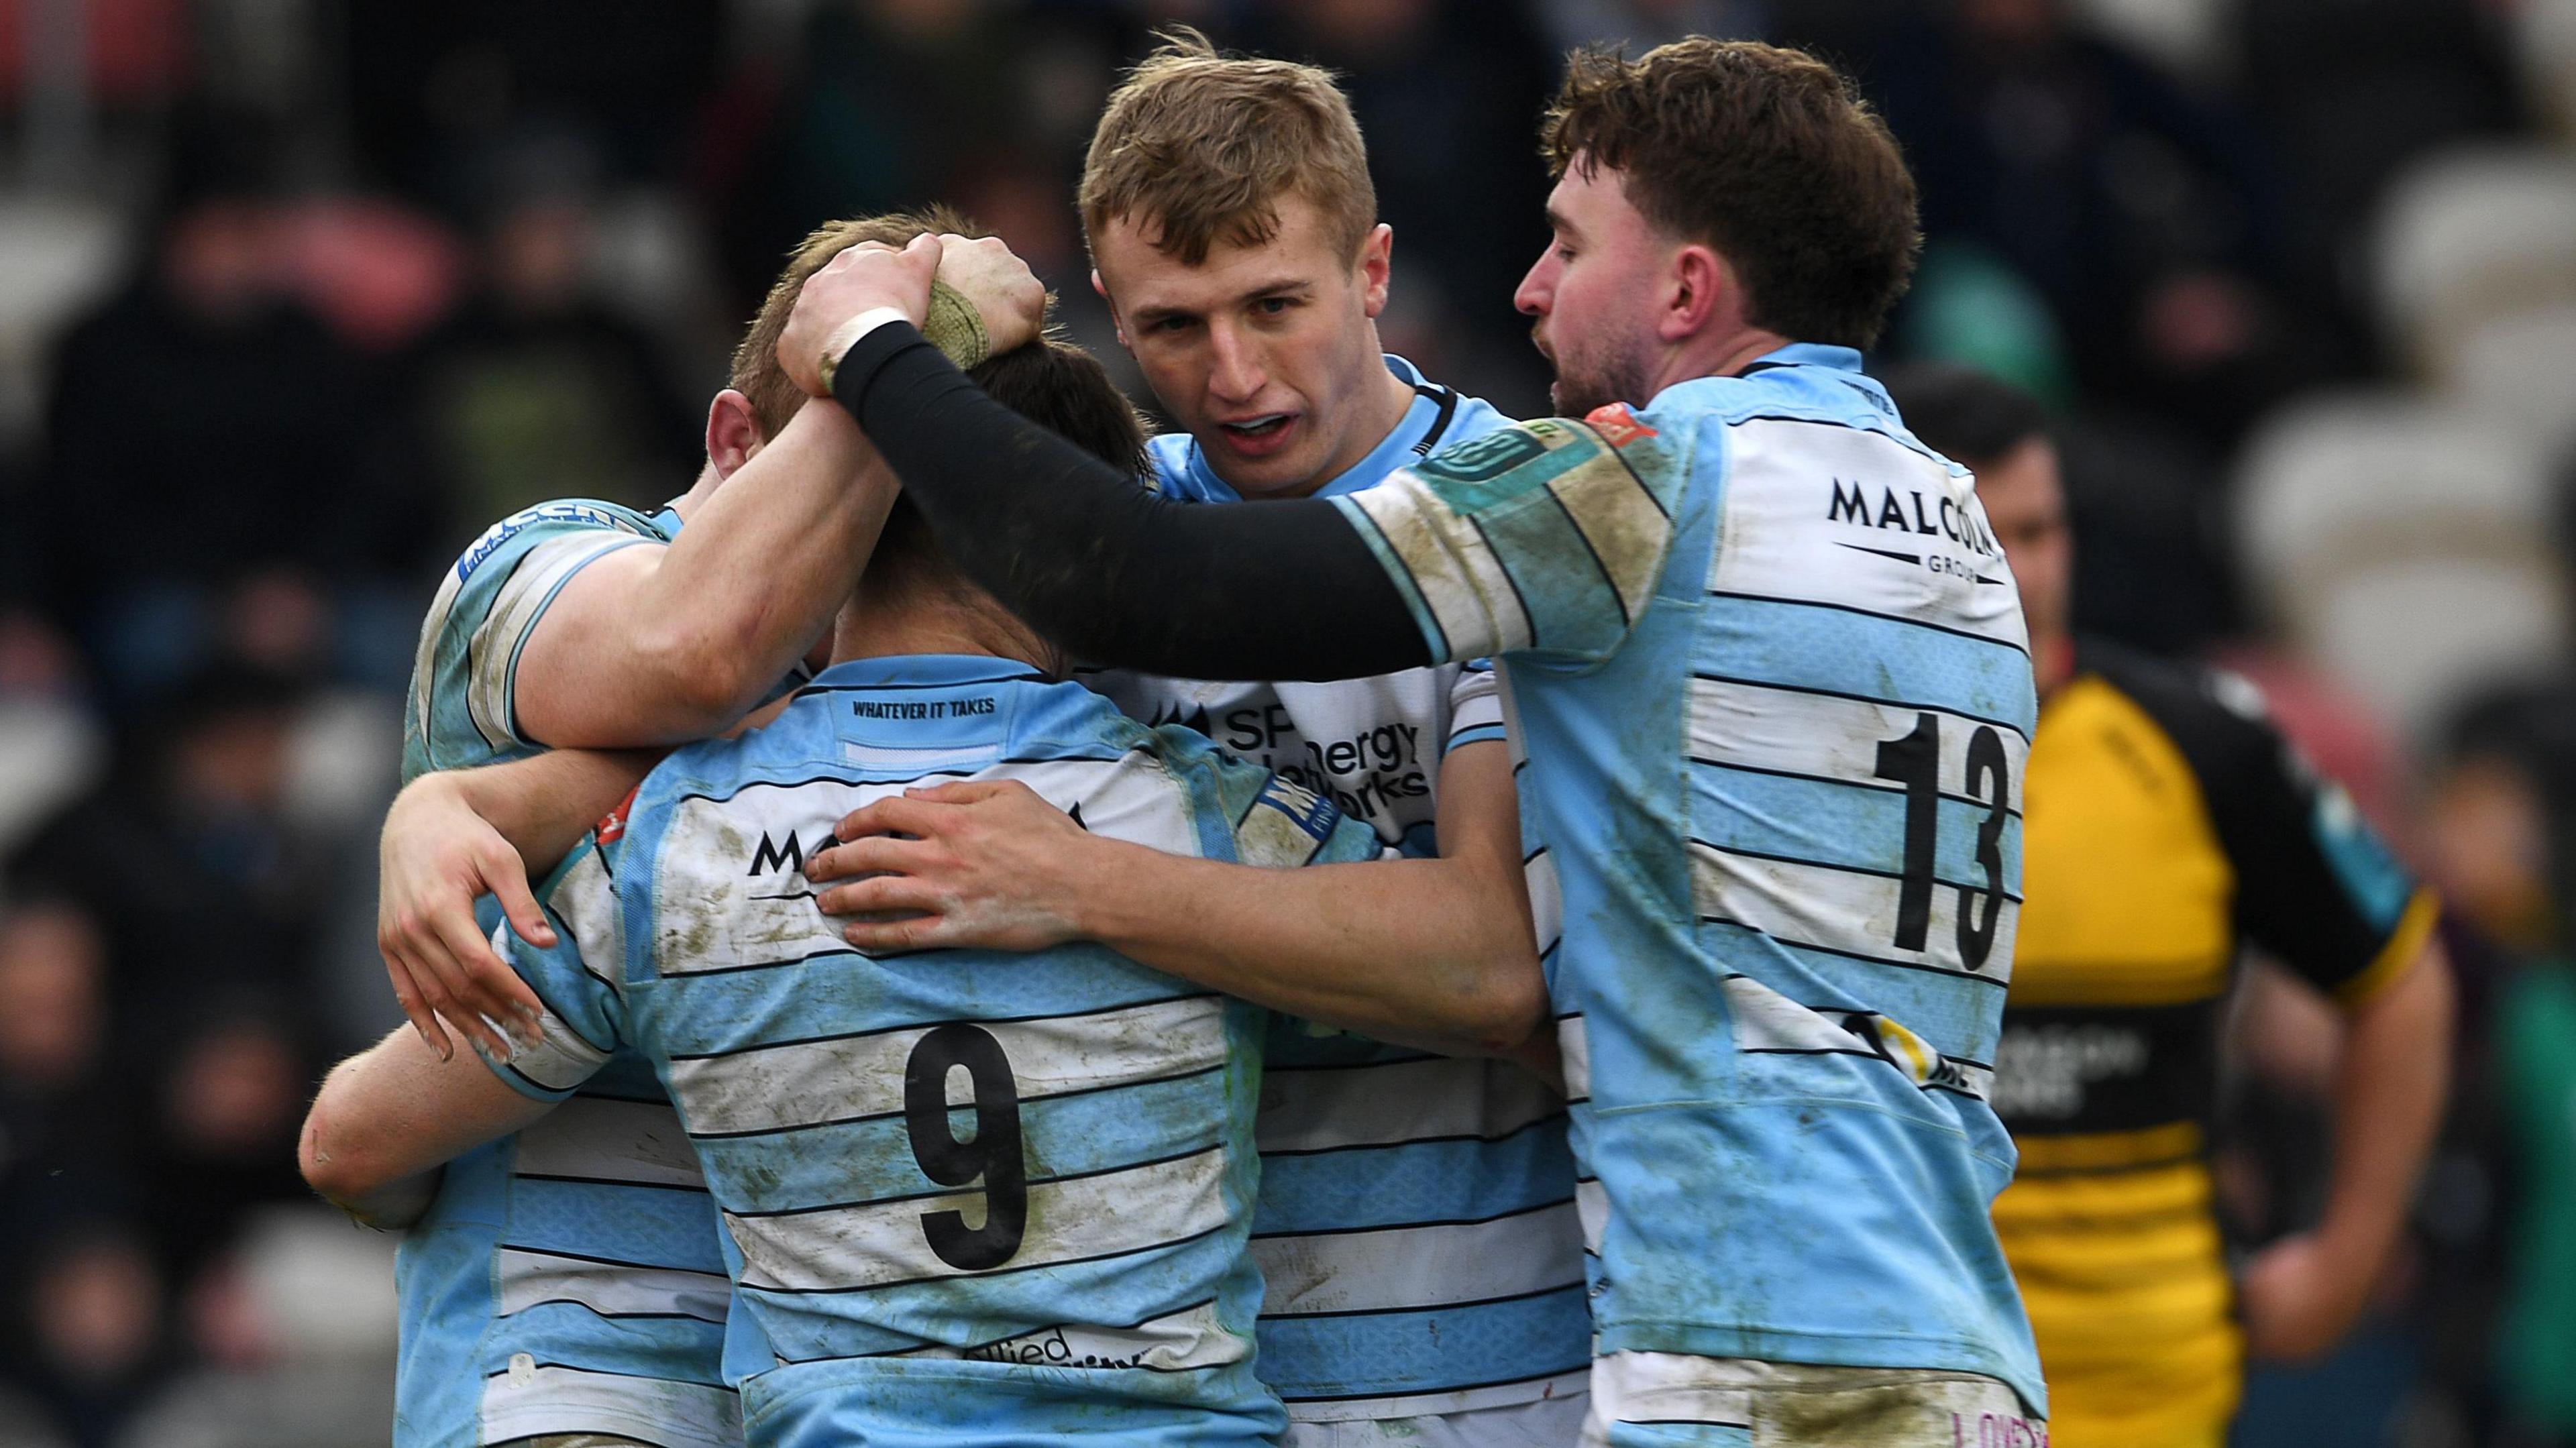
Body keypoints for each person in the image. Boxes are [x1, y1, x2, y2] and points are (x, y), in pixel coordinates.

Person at [779, 37, 2049, 1445]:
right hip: (1911, 1322)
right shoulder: (1951, 518)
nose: (1526, 287)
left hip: (1685, 1356)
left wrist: (871, 347)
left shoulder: (1590, 507)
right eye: (1174, 327)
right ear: (1112, 316)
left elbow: (1131, 584)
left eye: (1568, 245)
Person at [390, 34, 1589, 1441]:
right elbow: (743, 695)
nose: (1237, 373)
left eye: (1278, 305)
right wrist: (455, 807)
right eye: (1175, 328)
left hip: (1495, 1353)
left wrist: (1079, 882)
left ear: (1374, 273)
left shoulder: (1520, 529)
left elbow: (1508, 975)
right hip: (1207, 1377)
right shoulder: (1086, 541)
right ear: (1104, 318)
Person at [303, 337, 1389, 1447]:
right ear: (1071, 545)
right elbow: (1484, 972)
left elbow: (350, 1143)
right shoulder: (1199, 810)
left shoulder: (672, 842)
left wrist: (482, 807)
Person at [358, 212, 1042, 1448]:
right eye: (868, 482)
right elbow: (694, 652)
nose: (894, 547)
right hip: (570, 1378)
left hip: (844, 1387)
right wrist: (914, 350)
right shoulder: (536, 567)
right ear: (737, 442)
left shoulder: (954, 680)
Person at [1880, 361, 2453, 1448]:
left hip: (2158, 1395)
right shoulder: (1803, 756)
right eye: (1983, 537)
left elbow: (2404, 982)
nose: (2024, 573)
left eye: (2043, 531)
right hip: (1897, 1390)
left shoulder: (2203, 746)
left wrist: (2349, 1255)